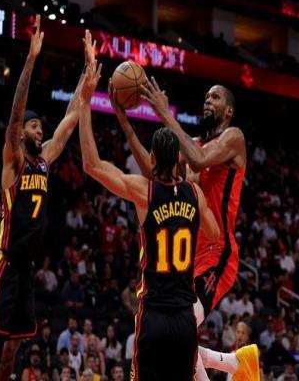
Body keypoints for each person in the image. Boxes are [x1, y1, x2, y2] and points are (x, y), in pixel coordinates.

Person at [0, 18, 96, 381]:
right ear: (22, 134)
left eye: (40, 127)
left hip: (26, 270)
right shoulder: (13, 162)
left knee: (11, 356)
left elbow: (71, 117)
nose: (40, 130)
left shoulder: (45, 161)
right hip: (4, 265)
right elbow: (16, 115)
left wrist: (87, 70)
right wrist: (30, 60)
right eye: (34, 127)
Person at [79, 60, 220, 381]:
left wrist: (86, 101)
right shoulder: (195, 194)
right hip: (185, 318)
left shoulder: (145, 192)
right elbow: (213, 235)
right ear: (179, 161)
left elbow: (91, 164)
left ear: (153, 159)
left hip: (154, 315)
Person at [110, 78, 257, 380]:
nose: (207, 100)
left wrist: (164, 113)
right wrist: (124, 120)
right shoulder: (193, 144)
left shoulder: (234, 138)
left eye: (215, 97)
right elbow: (155, 173)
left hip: (217, 251)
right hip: (188, 257)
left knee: (183, 324)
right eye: (206, 96)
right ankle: (236, 363)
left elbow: (199, 161)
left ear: (229, 110)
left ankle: (235, 364)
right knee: (174, 334)